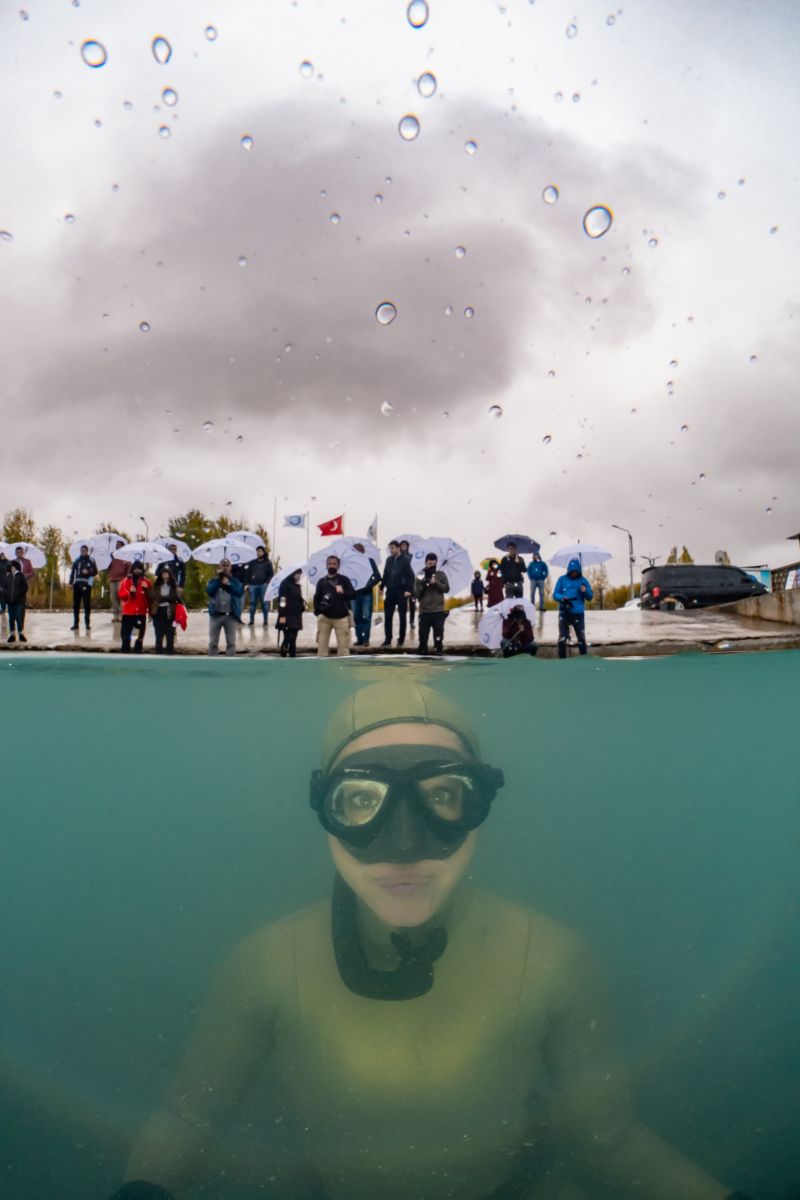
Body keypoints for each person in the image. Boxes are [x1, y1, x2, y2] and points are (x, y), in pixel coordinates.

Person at [114, 680, 754, 1200]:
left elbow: (612, 1140)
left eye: (444, 796)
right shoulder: (263, 968)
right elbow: (189, 1120)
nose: (404, 846)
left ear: (483, 802)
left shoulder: (555, 961)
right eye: (362, 800)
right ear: (323, 807)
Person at [314, 554, 355, 657]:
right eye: (330, 564)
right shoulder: (321, 581)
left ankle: (344, 670)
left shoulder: (344, 580)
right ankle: (322, 669)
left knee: (343, 649)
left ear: (338, 566)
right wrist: (318, 611)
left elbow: (353, 595)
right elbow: (316, 598)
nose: (332, 566)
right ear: (326, 565)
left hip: (341, 618)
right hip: (324, 618)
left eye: (334, 564)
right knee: (321, 648)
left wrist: (343, 592)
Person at [552, 557, 593, 658]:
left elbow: (590, 597)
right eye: (572, 571)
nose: (574, 573)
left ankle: (583, 657)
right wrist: (563, 598)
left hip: (578, 613)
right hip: (564, 611)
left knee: (581, 637)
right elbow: (555, 594)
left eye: (575, 571)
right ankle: (562, 659)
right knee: (562, 637)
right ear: (569, 570)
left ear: (578, 570)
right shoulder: (561, 579)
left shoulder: (583, 581)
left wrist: (585, 591)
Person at [379, 540, 414, 647]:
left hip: (401, 592)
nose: (391, 550)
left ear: (398, 548)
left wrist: (408, 590)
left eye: (393, 548)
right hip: (390, 591)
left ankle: (401, 639)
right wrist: (381, 587)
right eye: (390, 548)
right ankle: (388, 639)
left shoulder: (405, 560)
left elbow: (411, 577)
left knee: (402, 616)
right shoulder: (388, 560)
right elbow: (385, 574)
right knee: (388, 616)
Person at [414, 551, 450, 655]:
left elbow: (446, 589)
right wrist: (424, 584)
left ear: (437, 563)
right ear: (426, 563)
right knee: (423, 638)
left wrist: (435, 582)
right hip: (424, 611)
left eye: (434, 564)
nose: (432, 566)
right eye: (430, 564)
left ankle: (438, 648)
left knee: (438, 636)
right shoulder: (420, 574)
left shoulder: (441, 574)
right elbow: (416, 593)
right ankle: (423, 649)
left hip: (438, 611)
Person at [206, 558, 243, 657]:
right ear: (219, 567)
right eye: (223, 565)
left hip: (230, 616)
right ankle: (212, 663)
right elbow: (209, 591)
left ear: (230, 567)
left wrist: (228, 584)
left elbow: (239, 592)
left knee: (231, 642)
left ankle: (231, 664)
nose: (225, 567)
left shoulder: (234, 581)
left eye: (227, 565)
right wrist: (219, 580)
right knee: (213, 642)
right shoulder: (214, 580)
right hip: (216, 615)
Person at [350, 544, 382, 647]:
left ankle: (366, 639)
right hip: (355, 594)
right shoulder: (350, 563)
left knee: (366, 617)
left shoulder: (370, 561)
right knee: (356, 617)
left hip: (366, 594)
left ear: (362, 551)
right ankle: (359, 638)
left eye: (358, 550)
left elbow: (377, 576)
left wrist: (369, 586)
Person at [118, 562, 151, 653]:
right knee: (126, 632)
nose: (137, 570)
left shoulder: (146, 582)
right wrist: (129, 591)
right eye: (135, 568)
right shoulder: (126, 580)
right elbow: (121, 595)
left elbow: (151, 598)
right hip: (128, 612)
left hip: (140, 613)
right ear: (132, 569)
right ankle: (125, 648)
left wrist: (146, 589)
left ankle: (138, 648)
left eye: (139, 568)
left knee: (139, 633)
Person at [149, 565, 181, 654]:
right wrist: (164, 598)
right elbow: (152, 597)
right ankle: (159, 653)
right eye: (163, 573)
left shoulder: (173, 585)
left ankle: (170, 653)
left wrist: (164, 598)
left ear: (169, 574)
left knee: (170, 634)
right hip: (158, 611)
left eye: (167, 573)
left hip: (170, 611)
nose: (165, 574)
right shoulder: (156, 585)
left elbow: (175, 597)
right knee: (159, 635)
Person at [69, 544, 99, 631]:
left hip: (86, 585)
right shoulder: (76, 560)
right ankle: (75, 624)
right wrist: (70, 583)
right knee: (76, 605)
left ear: (87, 551)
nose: (83, 552)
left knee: (87, 605)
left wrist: (88, 572)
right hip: (77, 585)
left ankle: (87, 624)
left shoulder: (91, 560)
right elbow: (72, 572)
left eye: (84, 551)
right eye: (81, 551)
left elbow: (95, 572)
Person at [277, 568, 305, 657]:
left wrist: (302, 606)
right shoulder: (285, 584)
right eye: (298, 574)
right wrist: (282, 615)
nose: (299, 576)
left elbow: (298, 599)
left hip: (296, 615)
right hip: (287, 615)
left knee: (294, 637)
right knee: (289, 636)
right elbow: (282, 600)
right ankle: (284, 649)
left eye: (300, 574)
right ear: (293, 574)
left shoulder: (296, 585)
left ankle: (292, 654)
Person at [246, 545, 274, 626]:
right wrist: (247, 584)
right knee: (252, 603)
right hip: (253, 585)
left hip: (263, 585)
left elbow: (271, 574)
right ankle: (251, 620)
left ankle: (265, 620)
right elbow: (248, 574)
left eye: (260, 551)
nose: (258, 553)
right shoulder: (252, 563)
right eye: (257, 551)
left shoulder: (268, 563)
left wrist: (267, 582)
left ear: (264, 552)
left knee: (265, 604)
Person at [5, 559, 28, 643]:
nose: (12, 568)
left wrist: (18, 593)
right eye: (11, 567)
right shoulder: (9, 576)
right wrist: (5, 593)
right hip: (10, 601)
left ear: (16, 567)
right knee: (11, 618)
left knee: (18, 617)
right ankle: (12, 635)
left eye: (13, 567)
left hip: (19, 601)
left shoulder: (21, 576)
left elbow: (25, 587)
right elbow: (6, 587)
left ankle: (21, 634)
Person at [107, 541, 129, 622]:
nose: (117, 545)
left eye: (119, 544)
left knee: (121, 597)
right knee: (113, 598)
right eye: (116, 544)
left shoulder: (125, 556)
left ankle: (121, 614)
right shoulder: (111, 556)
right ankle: (115, 615)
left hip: (121, 579)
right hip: (112, 580)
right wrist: (108, 558)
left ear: (122, 546)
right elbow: (106, 567)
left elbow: (128, 566)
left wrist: (127, 577)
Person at [399, 539, 417, 631]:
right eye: (402, 545)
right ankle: (403, 621)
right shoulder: (398, 557)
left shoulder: (411, 556)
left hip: (412, 582)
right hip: (402, 583)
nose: (404, 547)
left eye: (405, 545)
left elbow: (415, 567)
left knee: (412, 603)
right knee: (403, 604)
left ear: (407, 546)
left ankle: (412, 621)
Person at [0, 550, 11, 617]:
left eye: (4, 555)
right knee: (2, 595)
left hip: (8, 581)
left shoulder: (9, 563)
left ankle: (9, 609)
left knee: (8, 595)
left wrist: (9, 573)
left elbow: (12, 571)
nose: (3, 556)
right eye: (2, 555)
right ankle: (3, 609)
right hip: (0, 581)